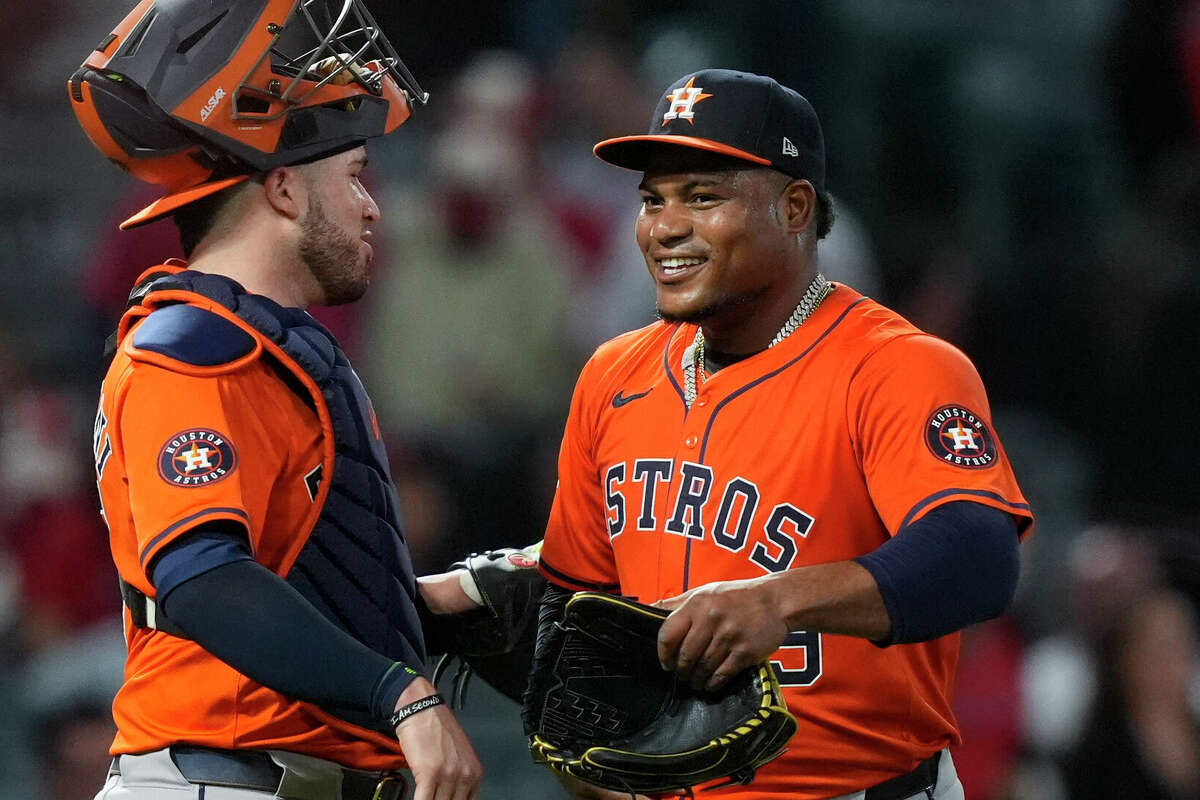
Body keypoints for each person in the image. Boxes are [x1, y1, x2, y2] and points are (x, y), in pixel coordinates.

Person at [529, 69, 1033, 800]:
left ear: (795, 207)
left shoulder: (896, 367)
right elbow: (573, 598)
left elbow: (978, 556)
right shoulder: (613, 375)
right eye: (653, 200)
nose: (665, 226)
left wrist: (779, 600)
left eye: (702, 197)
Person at [69, 2, 485, 799]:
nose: (372, 207)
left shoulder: (261, 347)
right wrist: (404, 693)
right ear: (286, 189)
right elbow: (202, 578)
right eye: (356, 175)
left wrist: (465, 600)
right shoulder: (190, 349)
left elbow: (301, 582)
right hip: (219, 781)